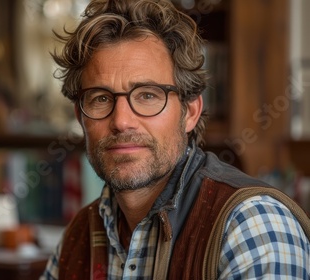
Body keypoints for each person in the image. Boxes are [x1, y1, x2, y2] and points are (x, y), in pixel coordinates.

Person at [41, 0, 310, 279]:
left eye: (147, 95)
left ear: (190, 112)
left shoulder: (253, 226)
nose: (121, 121)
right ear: (80, 117)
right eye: (100, 98)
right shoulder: (79, 235)